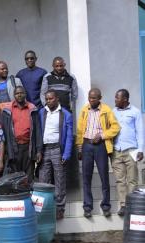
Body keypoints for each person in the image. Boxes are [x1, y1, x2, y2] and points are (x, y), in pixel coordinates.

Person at [76, 88, 120, 218]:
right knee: (86, 177)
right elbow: (79, 130)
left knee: (104, 177)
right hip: (86, 145)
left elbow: (115, 127)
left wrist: (102, 135)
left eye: (94, 98)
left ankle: (106, 206)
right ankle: (87, 207)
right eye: (90, 97)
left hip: (100, 146)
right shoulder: (85, 110)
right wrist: (79, 148)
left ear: (100, 98)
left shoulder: (106, 110)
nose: (91, 100)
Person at [38, 90, 74, 219]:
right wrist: (38, 151)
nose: (49, 101)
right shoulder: (41, 113)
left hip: (58, 150)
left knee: (59, 179)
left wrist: (66, 154)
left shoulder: (65, 114)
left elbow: (69, 136)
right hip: (44, 150)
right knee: (43, 179)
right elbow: (38, 133)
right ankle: (43, 207)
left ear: (57, 99)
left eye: (51, 99)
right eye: (47, 99)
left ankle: (59, 208)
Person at [112, 89, 144, 216]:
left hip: (131, 150)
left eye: (117, 97)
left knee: (132, 179)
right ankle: (123, 205)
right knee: (120, 180)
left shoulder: (135, 112)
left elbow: (140, 132)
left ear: (124, 99)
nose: (115, 99)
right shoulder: (113, 112)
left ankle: (132, 205)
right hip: (116, 150)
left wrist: (140, 150)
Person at [0, 86, 42, 181]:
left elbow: (38, 131)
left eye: (21, 93)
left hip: (28, 147)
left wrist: (39, 150)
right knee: (15, 177)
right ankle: (18, 196)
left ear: (25, 94)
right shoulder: (7, 111)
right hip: (14, 148)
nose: (19, 95)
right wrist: (6, 150)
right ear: (14, 95)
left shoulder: (32, 110)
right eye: (17, 93)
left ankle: (28, 195)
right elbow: (2, 131)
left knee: (28, 176)